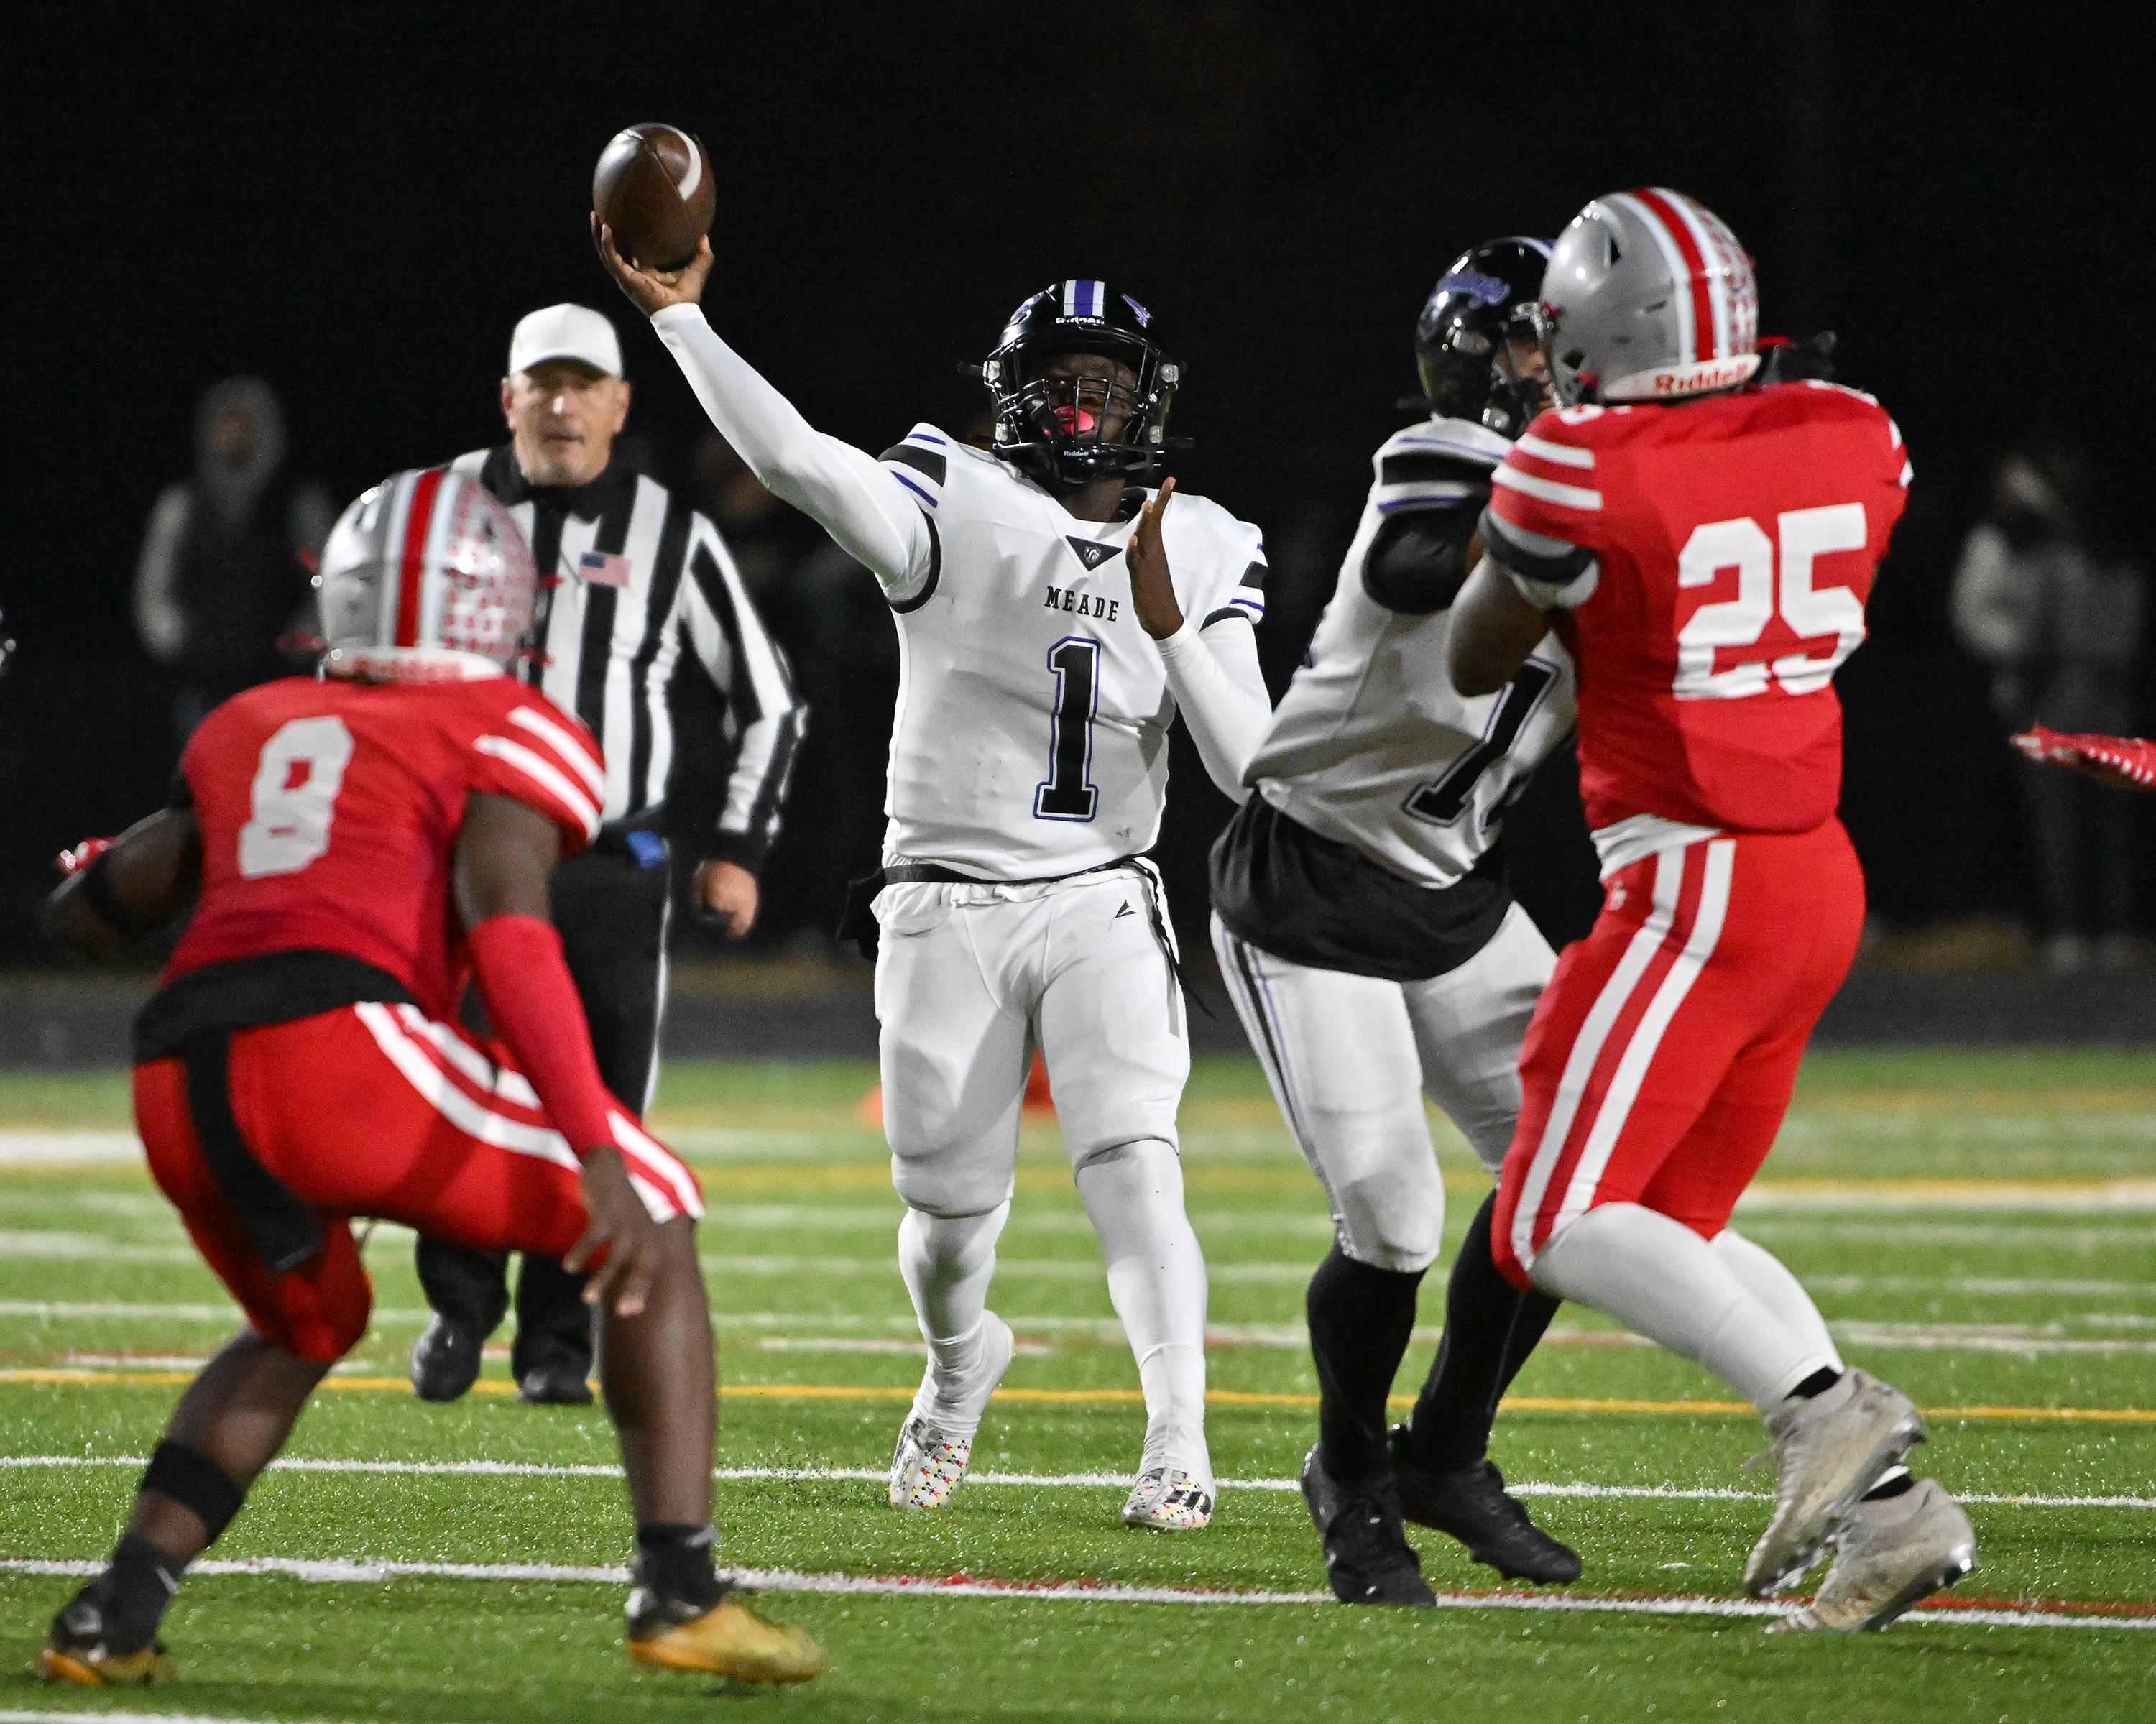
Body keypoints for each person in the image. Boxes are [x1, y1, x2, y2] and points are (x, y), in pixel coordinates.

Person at [34, 468, 821, 1686]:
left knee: (307, 1319)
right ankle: (681, 1584)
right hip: (336, 1051)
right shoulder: (503, 719)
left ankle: (114, 1605)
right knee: (657, 1205)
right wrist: (599, 1147)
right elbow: (511, 926)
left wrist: (84, 874)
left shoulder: (255, 718)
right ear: (494, 600)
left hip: (178, 1071)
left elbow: (98, 908)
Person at [598, 229, 1273, 1531]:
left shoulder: (1199, 539)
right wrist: (684, 320)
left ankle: (1179, 1438)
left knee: (1138, 1165)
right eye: (1066, 381)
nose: (1090, 408)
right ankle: (961, 1361)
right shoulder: (951, 494)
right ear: (1017, 396)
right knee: (949, 1215)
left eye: (1114, 385)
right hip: (942, 897)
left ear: (1152, 400)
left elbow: (1250, 768)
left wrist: (1172, 622)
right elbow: (795, 462)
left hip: (1101, 892)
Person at [1447, 186, 1975, 1633]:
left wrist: (1534, 550)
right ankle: (1895, 1515)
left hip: (1692, 871)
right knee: (1671, 1215)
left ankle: (1826, 1410)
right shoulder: (1852, 427)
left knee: (1547, 1215)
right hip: (1816, 868)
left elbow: (1477, 649)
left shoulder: (1576, 466)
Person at [1209, 239, 1583, 1605]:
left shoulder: (1604, 498)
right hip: (1314, 874)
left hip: (1454, 882)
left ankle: (1447, 1454)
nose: (1573, 377)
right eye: (1546, 349)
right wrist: (1587, 499)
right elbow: (1431, 569)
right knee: (1394, 1213)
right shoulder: (1443, 454)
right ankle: (1351, 1475)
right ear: (1487, 361)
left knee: (1575, 1176)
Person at [410, 304, 806, 1407]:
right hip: (474, 862)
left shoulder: (672, 530)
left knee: (601, 1107)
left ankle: (556, 1339)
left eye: (587, 384)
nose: (564, 403)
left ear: (622, 405)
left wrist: (736, 846)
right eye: (545, 382)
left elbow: (769, 702)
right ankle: (458, 1299)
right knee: (460, 1082)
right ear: (509, 397)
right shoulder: (438, 509)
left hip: (609, 869)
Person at [1950, 441, 2145, 971]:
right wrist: (2021, 654)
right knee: (2054, 820)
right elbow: (1979, 612)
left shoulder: (2108, 547)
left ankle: (2111, 929)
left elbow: (2127, 618)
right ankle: (2063, 930)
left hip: (2104, 695)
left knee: (2110, 818)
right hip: (2049, 697)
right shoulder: (2017, 544)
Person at [133, 377, 334, 744]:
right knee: (203, 784)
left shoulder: (299, 506)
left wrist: (297, 642)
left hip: (276, 681)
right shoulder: (181, 505)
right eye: (226, 426)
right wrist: (183, 642)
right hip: (203, 684)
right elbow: (154, 587)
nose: (234, 437)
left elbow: (323, 583)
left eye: (244, 426)